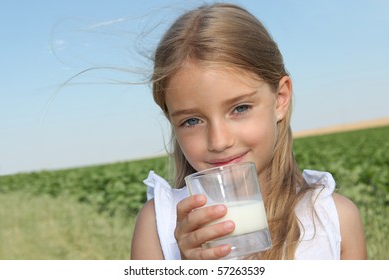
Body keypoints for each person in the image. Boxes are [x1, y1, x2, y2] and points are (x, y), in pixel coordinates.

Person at [130, 2, 367, 260]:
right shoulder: (158, 225)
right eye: (192, 121)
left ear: (280, 99)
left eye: (240, 108)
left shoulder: (335, 220)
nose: (219, 141)